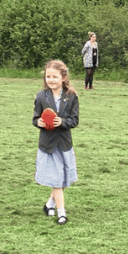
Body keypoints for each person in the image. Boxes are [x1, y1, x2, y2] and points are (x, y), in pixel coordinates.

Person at [34, 59, 78, 225]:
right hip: (48, 145)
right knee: (57, 181)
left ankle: (49, 204)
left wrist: (62, 122)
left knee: (63, 179)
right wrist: (39, 122)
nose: (51, 80)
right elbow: (35, 118)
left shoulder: (71, 97)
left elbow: (74, 120)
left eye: (54, 77)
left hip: (64, 144)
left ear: (63, 78)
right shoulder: (41, 96)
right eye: (48, 77)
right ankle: (62, 213)